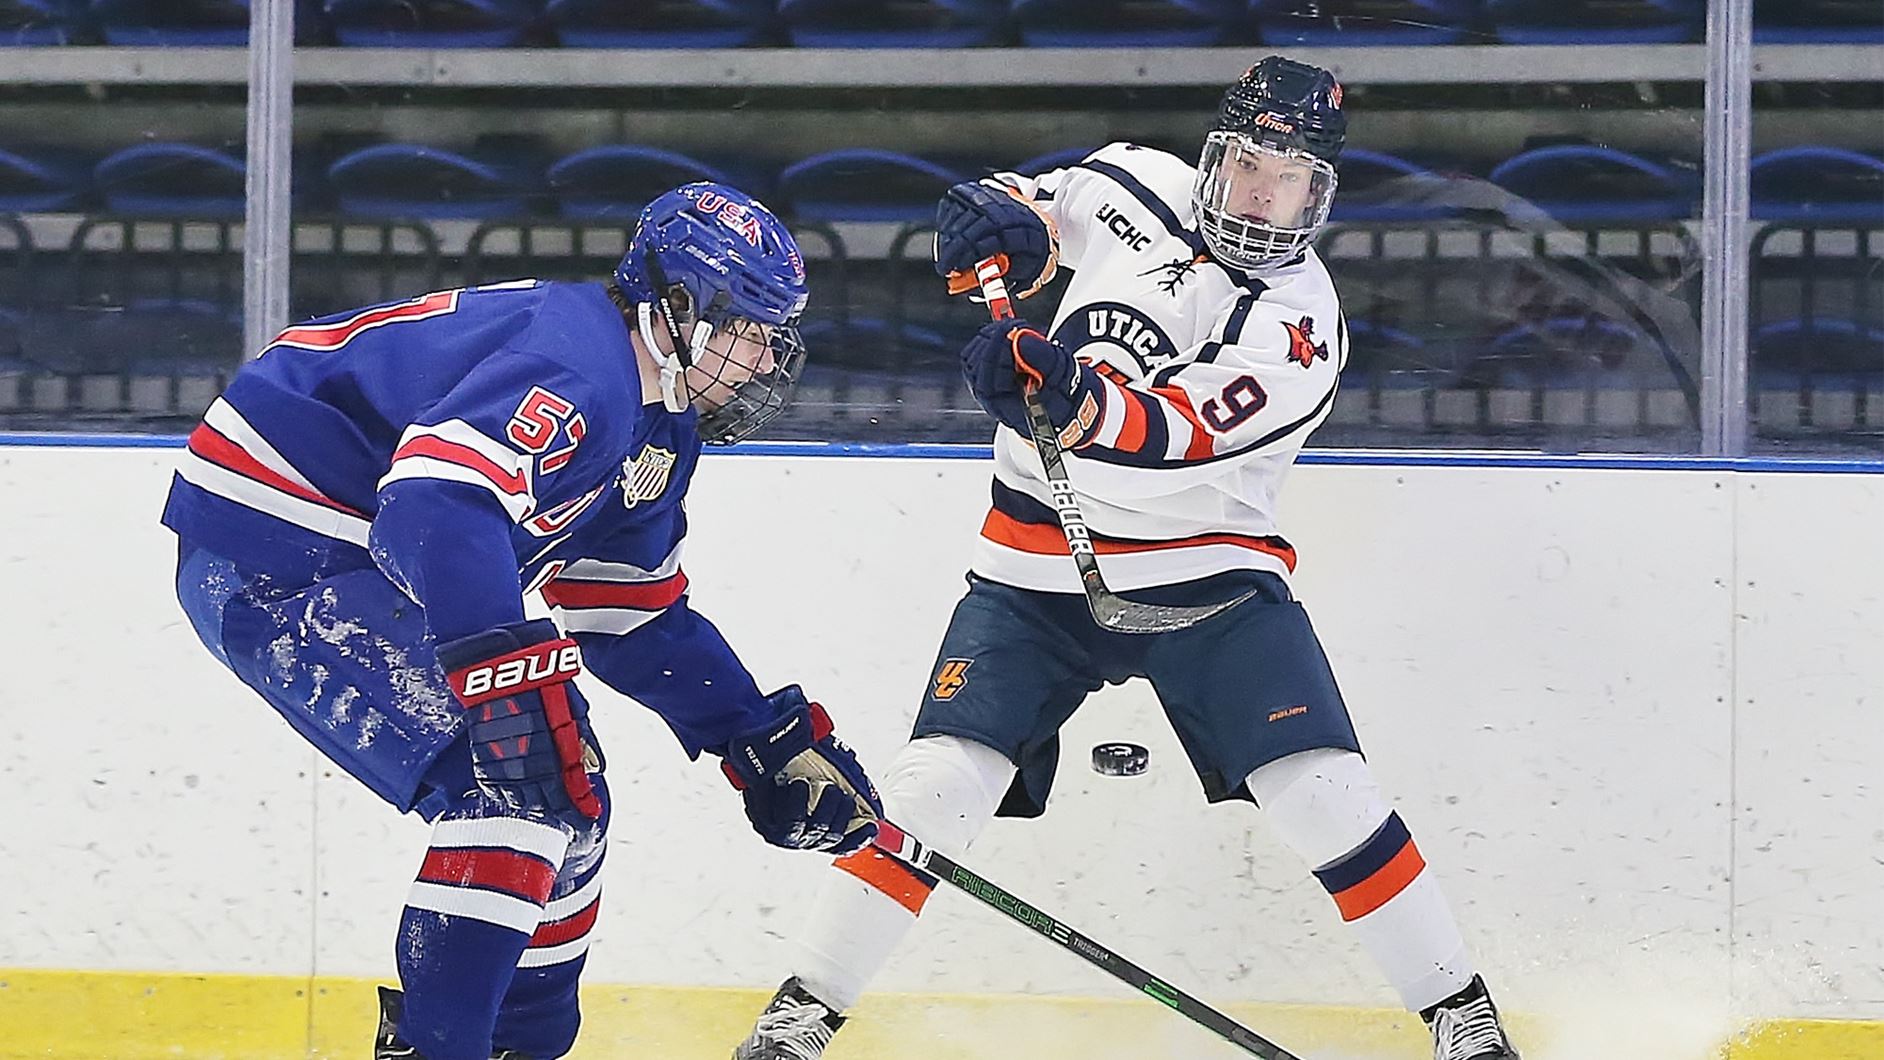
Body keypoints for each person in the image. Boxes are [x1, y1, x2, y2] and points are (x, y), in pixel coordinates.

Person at [732, 57, 1520, 1060]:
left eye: (1292, 181)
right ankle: (799, 1018)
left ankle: (1464, 1017)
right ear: (1214, 155)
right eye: (1249, 167)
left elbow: (1177, 428)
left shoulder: (1299, 321)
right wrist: (994, 223)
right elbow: (1029, 210)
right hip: (1034, 565)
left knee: (1324, 789)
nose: (1264, 196)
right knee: (929, 790)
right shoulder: (1127, 182)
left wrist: (1076, 397)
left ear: (1321, 194)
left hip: (1209, 578)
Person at [160, 182, 883, 1060]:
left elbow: (630, 612)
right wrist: (498, 672)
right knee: (512, 784)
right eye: (749, 331)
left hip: (352, 552)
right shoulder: (579, 368)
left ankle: (517, 1046)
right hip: (277, 543)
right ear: (680, 307)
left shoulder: (660, 424)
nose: (768, 362)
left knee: (566, 792)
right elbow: (437, 505)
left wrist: (756, 736)